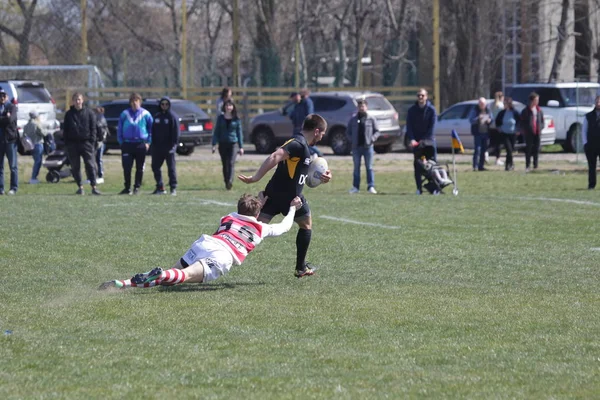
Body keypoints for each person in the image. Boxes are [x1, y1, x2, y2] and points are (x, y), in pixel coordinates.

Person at [99, 194, 303, 290]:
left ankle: (122, 283)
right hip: (223, 256)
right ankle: (160, 273)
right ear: (258, 212)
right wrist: (293, 207)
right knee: (180, 277)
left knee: (172, 278)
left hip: (206, 243)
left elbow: (247, 210)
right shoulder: (261, 228)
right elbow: (284, 227)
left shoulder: (228, 217)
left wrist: (258, 201)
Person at [238, 114, 332, 278]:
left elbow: (305, 173)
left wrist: (323, 177)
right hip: (279, 198)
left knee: (304, 225)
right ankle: (223, 251)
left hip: (287, 198)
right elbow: (275, 156)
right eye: (322, 133)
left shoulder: (304, 147)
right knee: (251, 231)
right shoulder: (297, 143)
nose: (322, 136)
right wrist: (256, 178)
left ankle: (301, 268)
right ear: (317, 131)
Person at [63, 92, 100, 195]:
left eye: (79, 99)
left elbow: (94, 128)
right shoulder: (69, 114)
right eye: (75, 100)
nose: (77, 102)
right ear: (73, 101)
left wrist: (92, 142)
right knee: (75, 166)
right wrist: (67, 144)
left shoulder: (89, 113)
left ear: (82, 100)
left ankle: (94, 186)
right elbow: (65, 130)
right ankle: (80, 187)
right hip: (73, 144)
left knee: (90, 165)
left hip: (86, 143)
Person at [117, 92, 153, 195]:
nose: (134, 103)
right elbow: (119, 128)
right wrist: (121, 142)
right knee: (127, 167)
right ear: (130, 103)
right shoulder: (124, 114)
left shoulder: (146, 114)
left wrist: (148, 143)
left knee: (139, 167)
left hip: (140, 144)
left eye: (136, 101)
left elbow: (151, 129)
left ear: (140, 102)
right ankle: (127, 187)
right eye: (132, 101)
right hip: (127, 144)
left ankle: (137, 187)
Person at [405, 88, 437, 195]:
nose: (420, 97)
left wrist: (424, 141)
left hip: (429, 143)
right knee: (417, 166)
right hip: (417, 144)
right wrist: (413, 139)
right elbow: (409, 127)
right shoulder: (412, 110)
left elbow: (432, 128)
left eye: (422, 95)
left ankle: (434, 188)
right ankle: (419, 188)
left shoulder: (431, 110)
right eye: (419, 95)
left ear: (426, 96)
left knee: (431, 166)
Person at [347, 99, 379, 194]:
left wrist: (372, 139)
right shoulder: (353, 119)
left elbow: (377, 131)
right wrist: (352, 140)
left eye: (363, 106)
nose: (361, 108)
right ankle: (355, 187)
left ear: (366, 107)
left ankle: (371, 186)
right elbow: (348, 132)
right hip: (356, 147)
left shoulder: (371, 118)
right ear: (358, 107)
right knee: (356, 168)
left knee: (369, 167)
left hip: (368, 147)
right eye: (360, 106)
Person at [212, 99, 244, 190]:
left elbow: (239, 133)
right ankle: (226, 181)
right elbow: (216, 132)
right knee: (225, 164)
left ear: (233, 107)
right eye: (227, 105)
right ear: (224, 107)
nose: (228, 107)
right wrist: (214, 144)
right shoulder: (220, 118)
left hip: (233, 144)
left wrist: (241, 147)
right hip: (222, 144)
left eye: (230, 105)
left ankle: (230, 181)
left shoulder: (236, 119)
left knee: (231, 163)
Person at [151, 97, 179, 196]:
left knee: (171, 168)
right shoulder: (156, 116)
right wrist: (153, 145)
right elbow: (153, 132)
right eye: (162, 104)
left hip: (169, 148)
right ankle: (160, 187)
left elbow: (176, 133)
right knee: (155, 167)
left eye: (166, 104)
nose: (164, 106)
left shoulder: (172, 116)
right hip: (157, 147)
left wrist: (173, 146)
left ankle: (173, 187)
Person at [290, 88, 322, 158]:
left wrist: (306, 125)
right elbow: (294, 114)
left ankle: (318, 153)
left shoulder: (307, 102)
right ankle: (310, 155)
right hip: (297, 126)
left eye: (301, 93)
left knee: (306, 142)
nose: (300, 95)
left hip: (303, 127)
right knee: (300, 142)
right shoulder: (299, 103)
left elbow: (309, 115)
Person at [494, 96, 520, 171]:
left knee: (511, 150)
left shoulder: (515, 112)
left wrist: (518, 130)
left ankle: (509, 165)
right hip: (504, 134)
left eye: (506, 103)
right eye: (504, 103)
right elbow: (497, 122)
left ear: (509, 104)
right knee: (508, 149)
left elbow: (519, 121)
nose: (504, 105)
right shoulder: (502, 113)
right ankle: (509, 165)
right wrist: (499, 128)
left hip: (513, 134)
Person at [0, 89, 18, 195]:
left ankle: (13, 188)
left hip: (10, 140)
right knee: (0, 166)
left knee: (13, 166)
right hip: (0, 140)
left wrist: (4, 119)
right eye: (0, 96)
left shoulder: (12, 107)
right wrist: (4, 118)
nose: (1, 98)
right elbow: (6, 119)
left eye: (3, 95)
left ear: (7, 96)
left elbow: (10, 120)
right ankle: (1, 188)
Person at [520, 92, 544, 172]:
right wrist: (526, 130)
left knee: (536, 149)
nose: (537, 101)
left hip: (537, 132)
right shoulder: (526, 111)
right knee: (529, 149)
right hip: (529, 133)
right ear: (532, 100)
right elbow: (522, 122)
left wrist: (540, 128)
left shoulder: (539, 110)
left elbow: (542, 121)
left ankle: (535, 165)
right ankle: (527, 165)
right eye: (536, 100)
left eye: (538, 100)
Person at [469, 97, 493, 171]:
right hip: (478, 133)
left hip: (485, 133)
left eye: (483, 104)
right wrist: (478, 118)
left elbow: (492, 118)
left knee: (483, 150)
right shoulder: (475, 110)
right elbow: (471, 120)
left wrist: (489, 120)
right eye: (481, 103)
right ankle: (475, 166)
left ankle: (481, 166)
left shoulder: (488, 110)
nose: (482, 105)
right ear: (478, 104)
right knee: (477, 149)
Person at [582, 95, 600, 189]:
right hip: (591, 145)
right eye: (597, 102)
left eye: (599, 102)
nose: (598, 103)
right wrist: (585, 143)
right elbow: (584, 130)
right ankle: (591, 185)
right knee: (592, 167)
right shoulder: (588, 116)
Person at [23, 111, 45, 184]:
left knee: (36, 161)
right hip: (38, 144)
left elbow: (24, 136)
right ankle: (33, 178)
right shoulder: (36, 124)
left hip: (31, 145)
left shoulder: (26, 125)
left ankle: (34, 177)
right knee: (38, 162)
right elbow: (43, 133)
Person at [489, 91, 505, 166]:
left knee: (492, 142)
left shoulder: (491, 104)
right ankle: (497, 159)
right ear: (501, 97)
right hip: (498, 126)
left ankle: (486, 153)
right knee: (498, 144)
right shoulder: (501, 105)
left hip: (491, 126)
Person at [94, 107, 108, 184]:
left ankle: (99, 174)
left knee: (98, 159)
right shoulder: (102, 118)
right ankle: (99, 174)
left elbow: (102, 131)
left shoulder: (100, 119)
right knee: (98, 159)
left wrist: (100, 140)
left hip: (100, 142)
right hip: (101, 141)